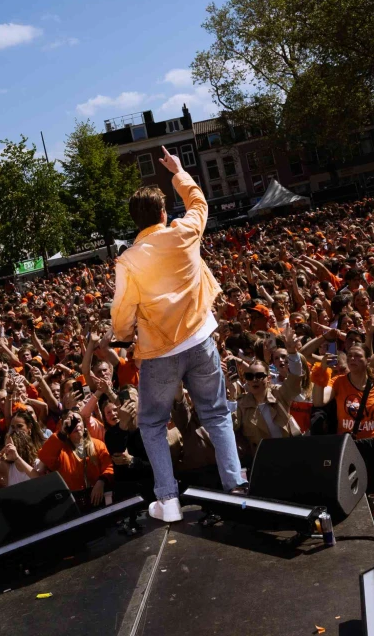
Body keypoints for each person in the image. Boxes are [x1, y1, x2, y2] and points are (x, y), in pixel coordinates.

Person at [111, 146, 245, 522]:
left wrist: (123, 336)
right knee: (216, 412)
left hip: (160, 352)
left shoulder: (128, 261)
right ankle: (234, 483)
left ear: (135, 222)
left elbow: (122, 312)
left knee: (152, 423)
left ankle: (168, 502)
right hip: (201, 338)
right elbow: (199, 202)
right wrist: (179, 172)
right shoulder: (184, 231)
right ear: (162, 213)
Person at [312, 343, 374, 438]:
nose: (352, 359)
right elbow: (318, 402)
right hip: (349, 445)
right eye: (349, 356)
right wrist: (322, 369)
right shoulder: (338, 381)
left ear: (368, 360)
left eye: (358, 356)